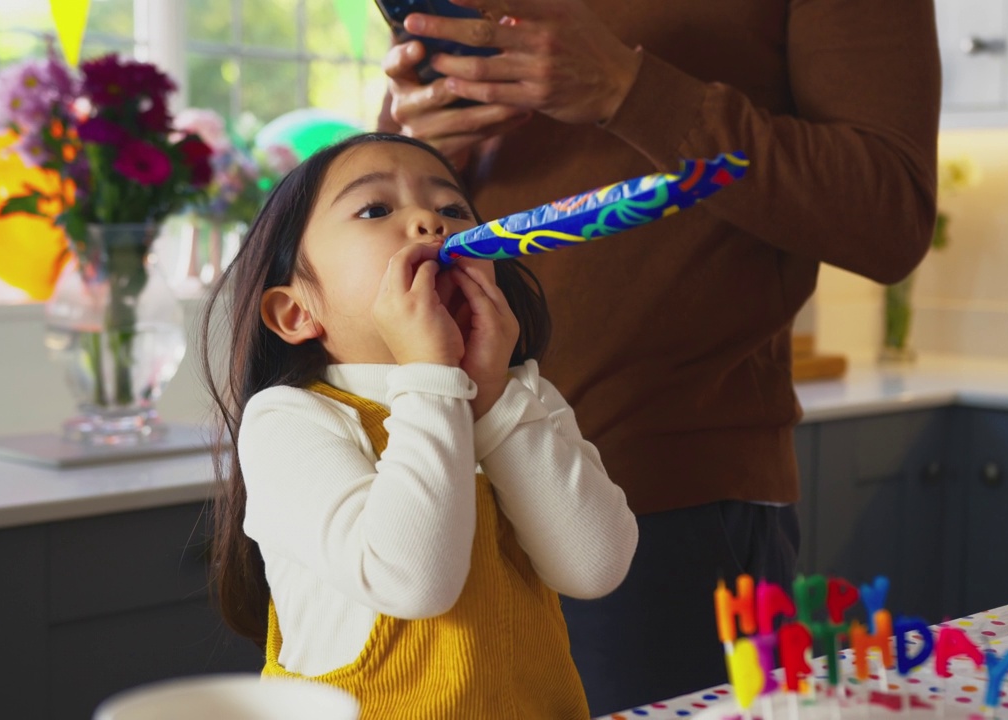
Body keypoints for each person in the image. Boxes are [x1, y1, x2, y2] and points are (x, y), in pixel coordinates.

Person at [379, 0, 941, 713]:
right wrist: (411, 141)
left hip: (661, 508)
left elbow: (888, 215)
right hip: (439, 496)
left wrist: (627, 90)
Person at [201, 132, 639, 719]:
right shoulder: (287, 420)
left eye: (453, 209)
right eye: (376, 209)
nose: (430, 223)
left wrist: (490, 396)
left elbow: (594, 568)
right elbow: (413, 582)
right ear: (297, 311)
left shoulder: (518, 399)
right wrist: (430, 374)